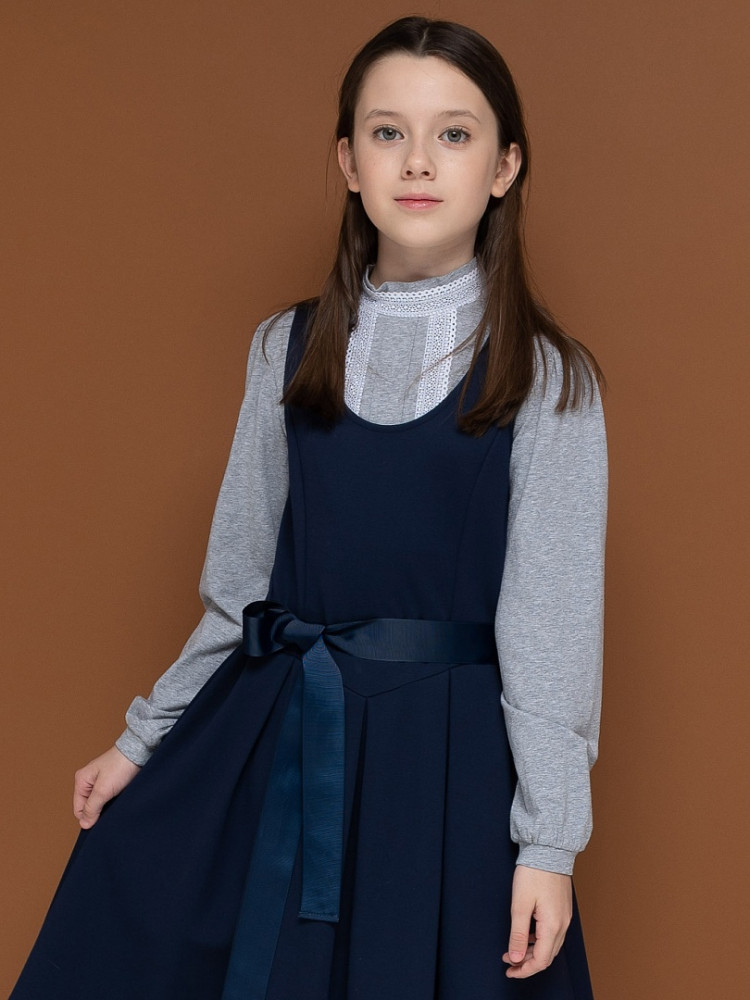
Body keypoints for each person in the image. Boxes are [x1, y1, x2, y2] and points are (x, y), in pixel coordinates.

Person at [11, 15, 607, 1000]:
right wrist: (141, 740)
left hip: (444, 767)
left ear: (504, 166)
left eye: (455, 134)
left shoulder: (548, 379)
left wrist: (549, 845)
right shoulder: (283, 349)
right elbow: (237, 588)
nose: (418, 161)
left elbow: (550, 634)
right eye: (387, 132)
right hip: (284, 734)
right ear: (348, 161)